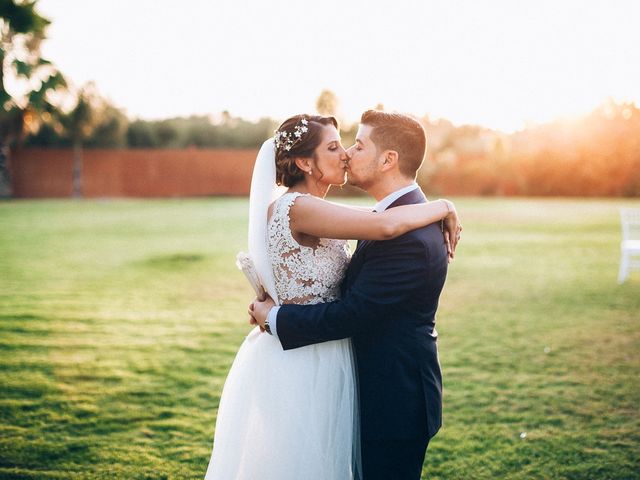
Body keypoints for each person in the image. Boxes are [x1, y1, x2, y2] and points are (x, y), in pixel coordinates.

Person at [205, 113, 461, 480]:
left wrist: (275, 314)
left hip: (371, 378)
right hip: (307, 361)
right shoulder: (301, 207)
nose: (345, 154)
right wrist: (445, 205)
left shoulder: (382, 224)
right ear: (305, 162)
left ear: (388, 159)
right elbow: (383, 228)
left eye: (355, 145)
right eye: (335, 146)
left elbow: (356, 297)